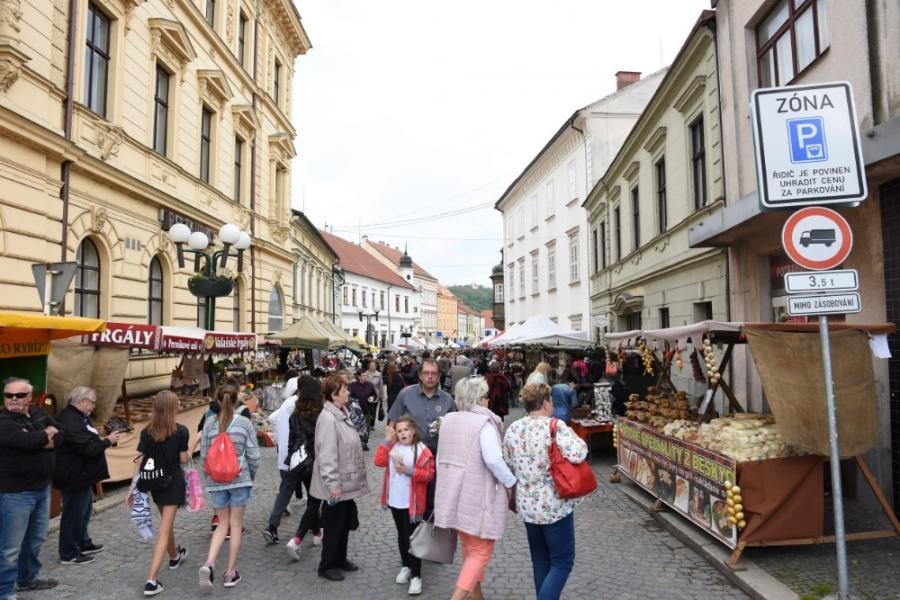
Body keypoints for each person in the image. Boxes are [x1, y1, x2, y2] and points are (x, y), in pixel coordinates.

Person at [503, 383, 588, 600]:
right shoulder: (555, 426)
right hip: (554, 504)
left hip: (527, 504)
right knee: (562, 562)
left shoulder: (514, 428)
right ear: (545, 402)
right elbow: (579, 452)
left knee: (540, 560)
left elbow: (509, 461)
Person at [434, 377, 516, 600]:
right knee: (480, 552)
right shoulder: (483, 423)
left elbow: (440, 458)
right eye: (485, 396)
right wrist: (511, 482)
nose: (488, 400)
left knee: (471, 549)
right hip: (476, 494)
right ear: (478, 400)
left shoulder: (448, 419)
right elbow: (494, 460)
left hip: (453, 492)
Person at [0, 377, 60, 598]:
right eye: (8, 395)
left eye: (19, 395)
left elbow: (61, 435)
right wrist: (45, 434)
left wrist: (41, 438)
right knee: (10, 547)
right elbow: (25, 443)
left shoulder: (38, 412)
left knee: (36, 539)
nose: (13, 400)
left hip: (42, 488)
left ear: (29, 397)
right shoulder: (4, 422)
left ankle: (27, 579)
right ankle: (4, 592)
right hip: (15, 494)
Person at [199, 384, 260, 590]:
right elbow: (254, 456)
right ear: (237, 401)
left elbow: (204, 457)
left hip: (216, 482)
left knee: (221, 524)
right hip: (239, 479)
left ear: (217, 400)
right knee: (235, 525)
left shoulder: (208, 424)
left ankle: (209, 562)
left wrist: (210, 477)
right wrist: (249, 476)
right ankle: (230, 572)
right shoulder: (244, 423)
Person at [311, 374, 370, 582]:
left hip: (346, 480)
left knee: (344, 523)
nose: (348, 392)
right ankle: (326, 565)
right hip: (336, 484)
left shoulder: (340, 412)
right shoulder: (328, 418)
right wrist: (333, 483)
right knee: (334, 525)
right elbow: (326, 454)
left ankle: (340, 559)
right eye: (344, 389)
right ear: (334, 395)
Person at [53, 386, 120, 565]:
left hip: (82, 474)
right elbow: (88, 448)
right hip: (73, 474)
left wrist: (101, 435)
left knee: (84, 511)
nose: (93, 406)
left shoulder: (79, 417)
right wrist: (108, 441)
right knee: (73, 514)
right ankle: (68, 552)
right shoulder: (70, 420)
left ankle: (83, 542)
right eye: (92, 402)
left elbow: (88, 438)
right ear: (82, 401)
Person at [133, 390, 190, 597]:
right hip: (173, 482)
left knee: (167, 523)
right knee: (165, 529)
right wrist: (188, 451)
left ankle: (174, 556)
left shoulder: (146, 431)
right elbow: (183, 460)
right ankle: (151, 580)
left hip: (154, 482)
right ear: (173, 408)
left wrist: (133, 487)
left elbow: (140, 460)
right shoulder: (181, 431)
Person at [373, 414, 434, 596]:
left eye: (406, 429)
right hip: (395, 501)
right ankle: (406, 566)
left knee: (413, 539)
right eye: (399, 431)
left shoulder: (422, 450)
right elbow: (378, 461)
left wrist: (409, 471)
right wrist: (386, 440)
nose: (402, 433)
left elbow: (429, 475)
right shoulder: (393, 447)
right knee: (401, 535)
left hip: (413, 504)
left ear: (413, 430)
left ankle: (417, 576)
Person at [387, 358, 456, 518]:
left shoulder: (447, 400)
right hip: (410, 459)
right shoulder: (406, 395)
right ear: (419, 375)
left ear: (439, 376)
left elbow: (455, 430)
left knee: (432, 502)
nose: (430, 377)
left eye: (433, 373)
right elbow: (392, 423)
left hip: (436, 459)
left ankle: (427, 537)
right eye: (426, 373)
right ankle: (409, 536)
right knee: (409, 502)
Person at [283, 376, 325, 560]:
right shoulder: (321, 416)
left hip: (300, 463)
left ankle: (317, 533)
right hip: (316, 462)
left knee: (312, 499)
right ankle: (297, 539)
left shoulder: (295, 416)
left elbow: (291, 442)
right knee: (315, 502)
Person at [262, 375, 301, 544]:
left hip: (285, 456)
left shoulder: (286, 404)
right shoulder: (297, 404)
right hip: (299, 457)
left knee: (285, 491)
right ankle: (315, 531)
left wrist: (279, 436)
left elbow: (272, 418)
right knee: (314, 497)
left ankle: (272, 526)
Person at [348, 369, 378, 446]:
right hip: (356, 411)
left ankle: (364, 443)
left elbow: (374, 394)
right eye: (363, 375)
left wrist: (372, 397)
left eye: (365, 375)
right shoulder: (352, 386)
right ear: (358, 377)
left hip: (367, 409)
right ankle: (356, 442)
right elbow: (349, 396)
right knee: (357, 427)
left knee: (366, 426)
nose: (365, 377)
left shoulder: (369, 385)